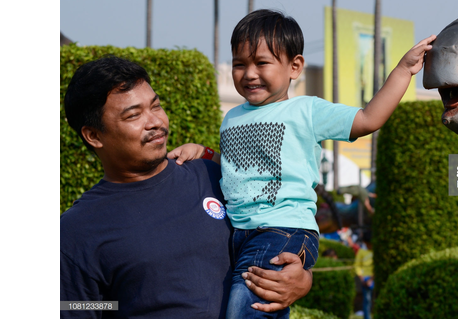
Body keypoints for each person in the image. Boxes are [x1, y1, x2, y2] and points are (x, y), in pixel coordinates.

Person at [170, 9, 436, 318]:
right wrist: (203, 152)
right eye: (239, 64)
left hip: (283, 229)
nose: (249, 73)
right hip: (238, 233)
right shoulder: (232, 117)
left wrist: (404, 70)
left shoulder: (305, 110)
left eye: (262, 63)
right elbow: (234, 166)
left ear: (295, 67)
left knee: (248, 309)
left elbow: (368, 119)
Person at [60, 56, 312, 318]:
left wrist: (302, 278)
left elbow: (283, 235)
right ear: (94, 135)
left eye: (156, 106)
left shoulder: (215, 177)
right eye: (134, 115)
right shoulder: (77, 230)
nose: (155, 122)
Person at [354, 232, 374, 319]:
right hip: (365, 278)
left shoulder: (375, 251)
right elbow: (357, 265)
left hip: (373, 278)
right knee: (367, 300)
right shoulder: (361, 251)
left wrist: (372, 279)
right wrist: (363, 279)